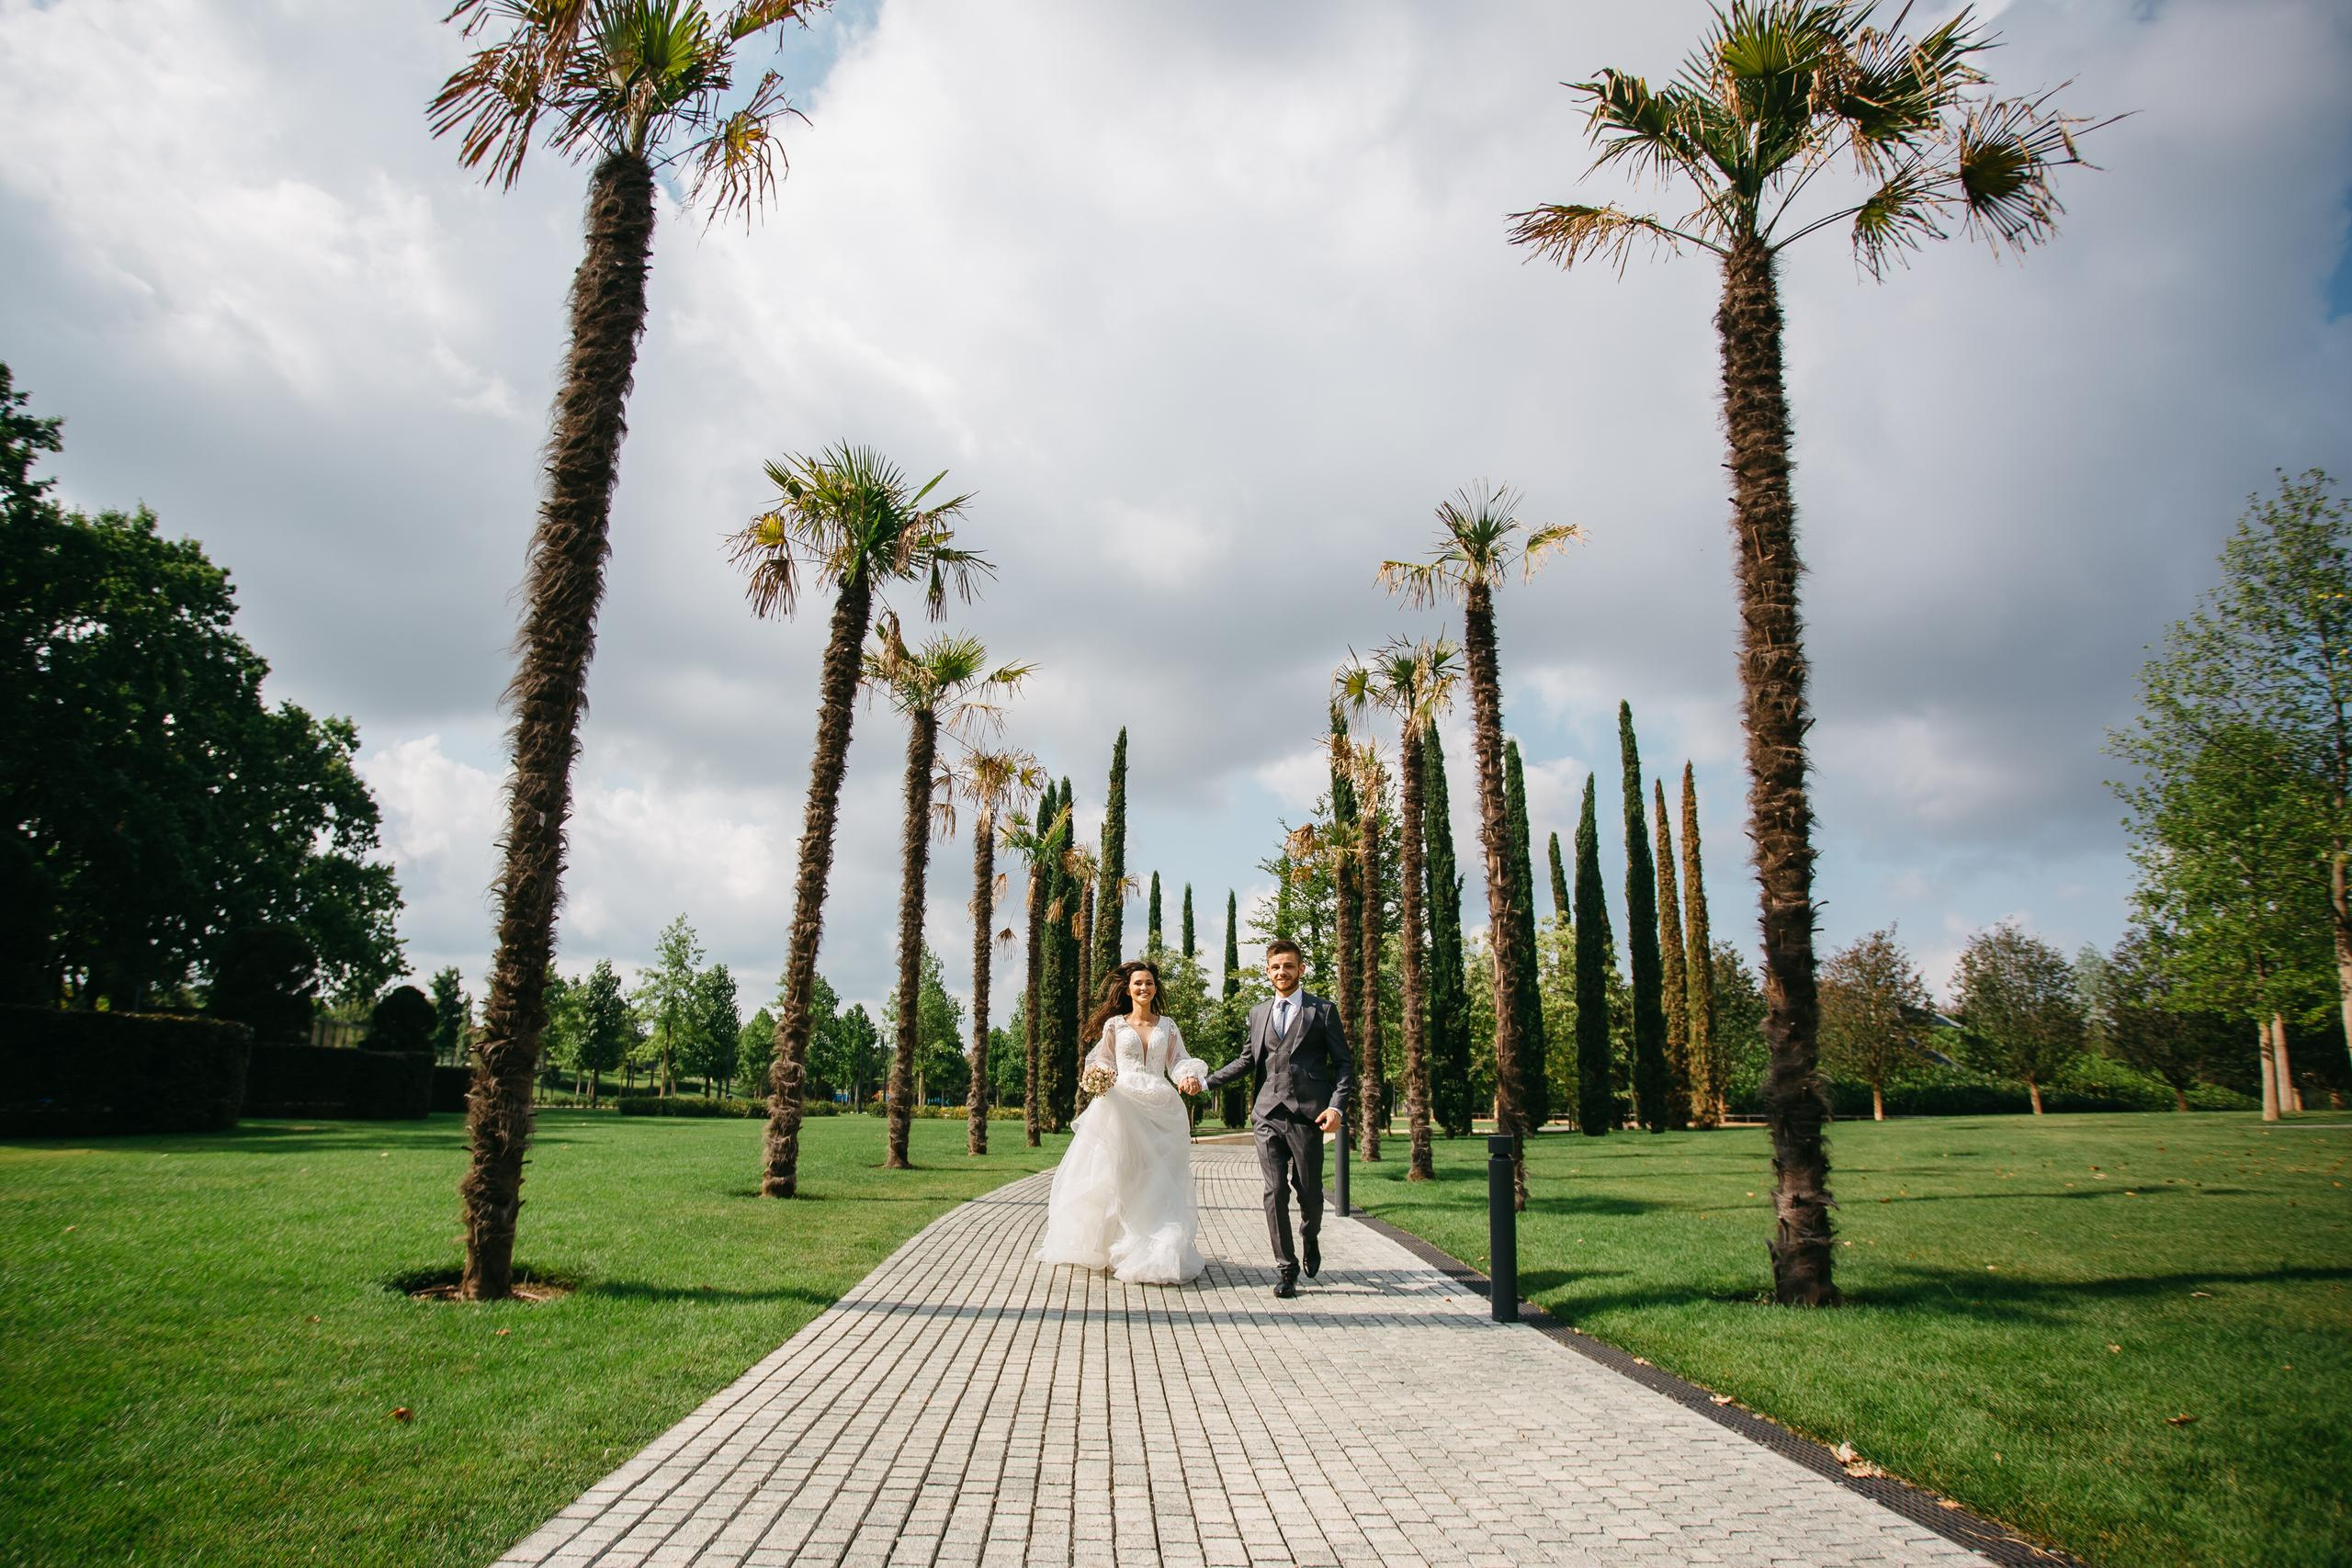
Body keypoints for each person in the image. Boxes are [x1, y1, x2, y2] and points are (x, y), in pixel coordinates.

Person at [1037, 960, 1211, 1284]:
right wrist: (1097, 1073)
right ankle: (1118, 1244)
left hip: (1162, 1107)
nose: (1143, 988)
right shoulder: (1115, 1026)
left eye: (1148, 983)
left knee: (1159, 1177)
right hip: (1123, 1106)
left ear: (1155, 988)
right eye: (1137, 984)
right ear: (1128, 989)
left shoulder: (1168, 1026)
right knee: (1122, 1174)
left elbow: (1178, 1061)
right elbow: (1102, 1059)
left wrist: (1187, 1077)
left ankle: (1157, 1245)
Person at [1203, 939, 1352, 1299]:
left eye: (1288, 966)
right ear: (1267, 972)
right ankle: (1286, 1268)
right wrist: (1207, 1081)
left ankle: (1310, 1238)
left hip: (1307, 1116)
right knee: (1274, 1191)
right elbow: (1246, 1060)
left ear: (1301, 969)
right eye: (1275, 967)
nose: (1281, 972)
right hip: (1267, 1114)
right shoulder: (1258, 1013)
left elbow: (1344, 1064)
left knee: (1311, 1194)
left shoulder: (1323, 1011)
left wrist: (1336, 1107)